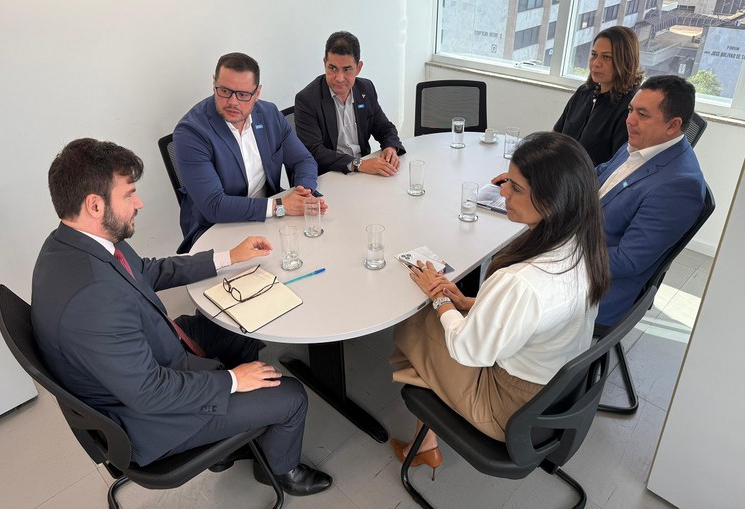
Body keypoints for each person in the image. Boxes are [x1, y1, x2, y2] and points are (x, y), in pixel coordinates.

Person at [31, 138, 332, 497]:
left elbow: (146, 272)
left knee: (246, 322)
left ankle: (237, 430)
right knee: (292, 396)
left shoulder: (72, 243)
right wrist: (232, 382)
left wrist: (228, 257)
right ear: (95, 205)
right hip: (152, 417)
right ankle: (280, 471)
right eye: (129, 194)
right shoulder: (92, 299)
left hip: (152, 350)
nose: (139, 203)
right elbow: (150, 393)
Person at [389, 132, 610, 473]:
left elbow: (468, 350)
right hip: (553, 391)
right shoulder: (583, 246)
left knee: (412, 323)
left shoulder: (522, 281)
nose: (502, 191)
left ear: (551, 201)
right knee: (439, 324)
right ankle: (426, 436)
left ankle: (426, 442)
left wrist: (438, 300)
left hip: (507, 407)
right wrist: (469, 302)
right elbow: (532, 315)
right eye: (507, 180)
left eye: (515, 188)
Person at [173, 52, 326, 253]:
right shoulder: (191, 132)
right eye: (224, 91)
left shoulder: (270, 115)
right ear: (214, 84)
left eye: (243, 95)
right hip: (217, 229)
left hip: (268, 222)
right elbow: (214, 206)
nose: (233, 102)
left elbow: (303, 160)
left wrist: (304, 193)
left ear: (257, 92)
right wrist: (280, 206)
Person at [594, 75, 706, 327]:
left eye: (643, 115)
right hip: (583, 241)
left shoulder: (679, 187)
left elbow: (628, 260)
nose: (629, 120)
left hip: (599, 290)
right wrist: (541, 183)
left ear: (673, 125)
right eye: (631, 109)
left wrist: (562, 252)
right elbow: (599, 174)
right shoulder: (642, 142)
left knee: (505, 282)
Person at [294, 31, 405, 176]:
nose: (339, 78)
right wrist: (358, 164)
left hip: (364, 172)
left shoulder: (366, 89)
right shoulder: (307, 99)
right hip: (329, 176)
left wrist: (390, 147)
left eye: (347, 70)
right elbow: (314, 151)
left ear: (358, 68)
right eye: (332, 68)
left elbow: (384, 127)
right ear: (324, 64)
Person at [554, 26, 643, 166]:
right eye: (594, 54)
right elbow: (555, 136)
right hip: (559, 173)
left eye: (606, 57)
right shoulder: (584, 92)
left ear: (625, 61)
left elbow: (618, 166)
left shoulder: (630, 106)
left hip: (592, 183)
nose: (596, 63)